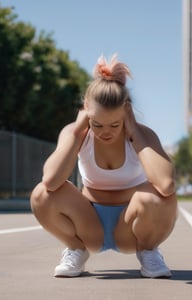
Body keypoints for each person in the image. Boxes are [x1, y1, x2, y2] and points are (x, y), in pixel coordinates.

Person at [30, 54, 178, 278]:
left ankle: (148, 252)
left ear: (126, 112)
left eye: (115, 124)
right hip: (89, 226)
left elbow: (166, 185)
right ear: (86, 110)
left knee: (160, 197)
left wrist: (134, 132)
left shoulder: (142, 135)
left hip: (130, 227)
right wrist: (77, 132)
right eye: (97, 124)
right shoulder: (76, 133)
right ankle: (76, 250)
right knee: (41, 194)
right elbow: (51, 180)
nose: (105, 132)